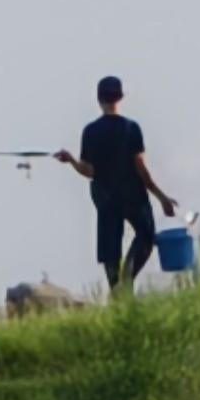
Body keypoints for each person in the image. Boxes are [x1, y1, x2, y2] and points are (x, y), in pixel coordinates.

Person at [56, 74, 175, 292]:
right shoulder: (131, 128)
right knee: (146, 235)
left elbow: (89, 171)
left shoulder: (91, 131)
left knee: (110, 249)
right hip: (133, 194)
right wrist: (161, 196)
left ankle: (116, 290)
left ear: (98, 99)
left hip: (105, 196)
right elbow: (141, 168)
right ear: (119, 98)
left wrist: (71, 160)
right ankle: (127, 279)